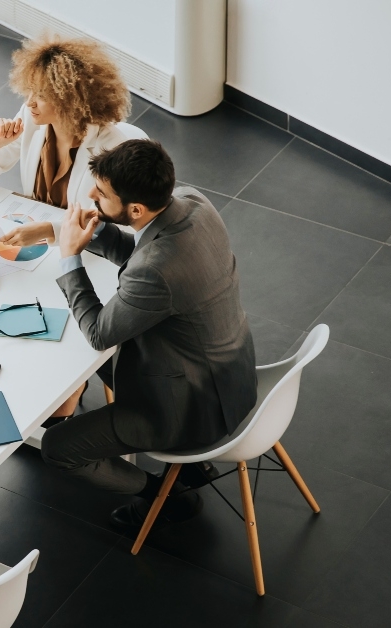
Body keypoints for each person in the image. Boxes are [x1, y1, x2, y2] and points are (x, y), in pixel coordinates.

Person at [42, 139, 257, 531]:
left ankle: (161, 493)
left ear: (136, 209)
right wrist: (93, 231)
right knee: (103, 363)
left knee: (58, 448)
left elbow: (97, 332)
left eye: (102, 194)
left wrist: (69, 257)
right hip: (231, 375)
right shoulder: (192, 201)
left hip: (190, 410)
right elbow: (142, 251)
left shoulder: (156, 271)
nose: (91, 194)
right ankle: (191, 471)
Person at [0, 34, 134, 417]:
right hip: (38, 253)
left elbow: (100, 227)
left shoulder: (112, 147)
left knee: (59, 389)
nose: (28, 103)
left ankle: (65, 401)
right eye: (29, 91)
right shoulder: (32, 120)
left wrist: (45, 232)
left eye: (40, 94)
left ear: (70, 99)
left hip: (87, 260)